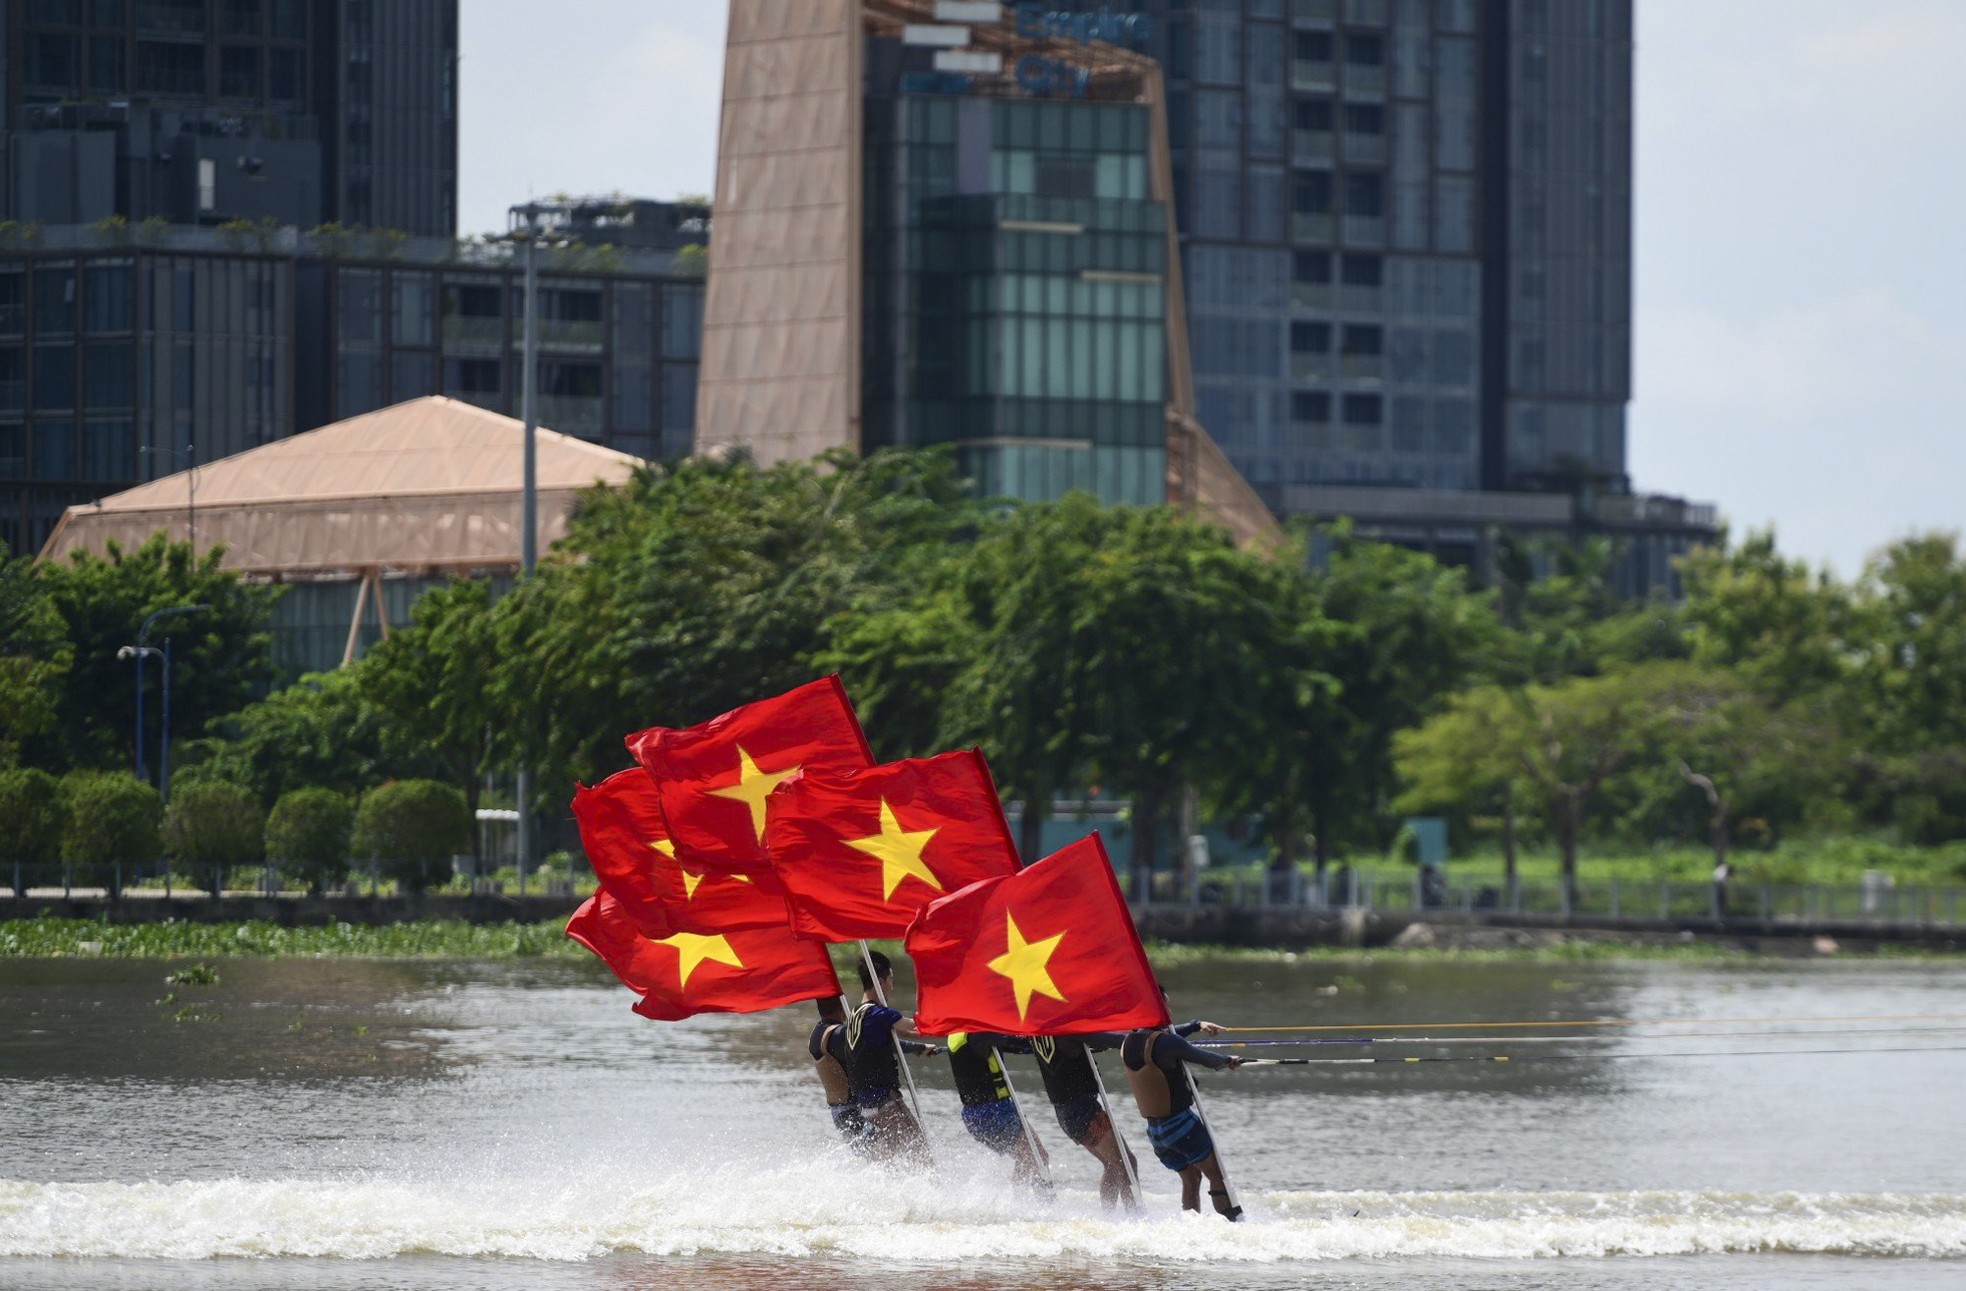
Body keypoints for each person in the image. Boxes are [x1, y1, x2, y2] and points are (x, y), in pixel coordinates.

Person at [1120, 1017, 1244, 1220]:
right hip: (1181, 1126)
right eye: (1165, 1006)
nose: (1167, 1012)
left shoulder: (1128, 1041)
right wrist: (1226, 1060)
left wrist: (1196, 1026)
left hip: (1156, 1134)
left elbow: (1163, 1036)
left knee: (1192, 1179)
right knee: (1216, 1176)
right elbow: (1204, 1058)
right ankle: (1235, 1224)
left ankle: (1190, 1227)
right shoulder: (1167, 1043)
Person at [1014, 1033, 1139, 1209]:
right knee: (1126, 1163)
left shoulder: (1038, 1032)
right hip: (1083, 1110)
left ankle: (1109, 1218)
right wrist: (1144, 1039)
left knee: (1112, 1165)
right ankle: (1135, 1217)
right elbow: (1112, 1040)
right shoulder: (1068, 1031)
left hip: (1066, 1113)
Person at [841, 950, 939, 1165]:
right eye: (891, 980)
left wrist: (919, 1046)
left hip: (866, 1104)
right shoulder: (880, 1014)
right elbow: (912, 1025)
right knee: (920, 1152)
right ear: (881, 981)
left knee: (890, 1154)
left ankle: (879, 1190)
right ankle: (926, 1194)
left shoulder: (856, 1014)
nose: (892, 986)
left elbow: (897, 1037)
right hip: (883, 1100)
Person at [945, 1031, 1051, 1192]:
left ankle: (1020, 1203)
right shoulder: (981, 1034)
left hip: (973, 1115)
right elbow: (1020, 1044)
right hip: (994, 1111)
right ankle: (1035, 1205)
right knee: (1037, 1157)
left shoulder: (956, 1034)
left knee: (1028, 1157)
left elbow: (1007, 1043)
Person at [807, 996, 874, 1156]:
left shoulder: (817, 1032)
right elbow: (869, 1040)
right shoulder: (837, 1035)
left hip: (838, 1112)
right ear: (840, 1007)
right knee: (881, 1150)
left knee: (870, 1157)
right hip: (851, 1111)